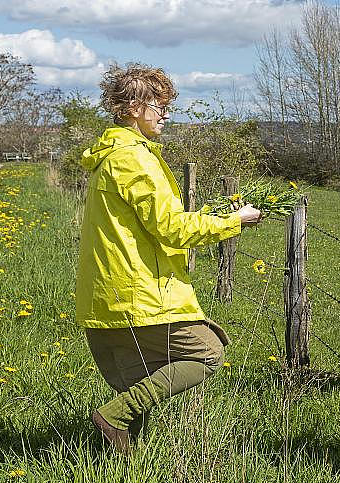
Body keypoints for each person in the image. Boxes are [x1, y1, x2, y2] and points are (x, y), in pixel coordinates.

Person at [74, 63, 262, 453]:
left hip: (108, 294)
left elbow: (152, 221)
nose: (165, 115)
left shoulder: (112, 155)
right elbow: (172, 228)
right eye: (159, 106)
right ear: (133, 108)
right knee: (207, 352)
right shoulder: (133, 159)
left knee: (137, 382)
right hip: (139, 295)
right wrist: (233, 221)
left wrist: (209, 214)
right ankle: (113, 417)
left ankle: (122, 471)